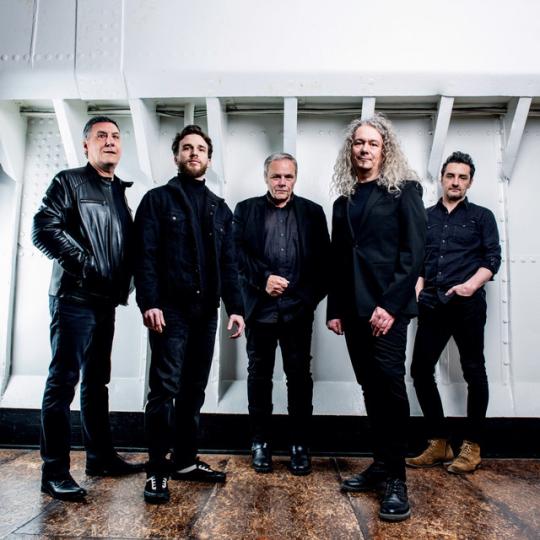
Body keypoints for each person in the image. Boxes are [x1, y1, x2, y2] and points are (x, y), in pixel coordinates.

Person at [32, 116, 144, 501]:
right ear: (86, 145)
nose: (110, 141)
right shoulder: (69, 182)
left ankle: (100, 457)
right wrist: (87, 266)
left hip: (103, 302)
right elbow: (44, 229)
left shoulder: (117, 191)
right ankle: (54, 472)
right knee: (63, 381)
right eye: (101, 136)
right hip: (74, 299)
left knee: (97, 382)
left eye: (115, 136)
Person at [134, 124, 245, 504]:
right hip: (170, 310)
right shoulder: (157, 200)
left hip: (206, 313)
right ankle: (156, 469)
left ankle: (183, 461)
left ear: (209, 159)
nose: (194, 153)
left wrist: (236, 309)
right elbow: (145, 255)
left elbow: (229, 264)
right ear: (176, 156)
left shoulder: (219, 208)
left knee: (194, 389)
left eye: (200, 148)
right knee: (164, 389)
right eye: (187, 147)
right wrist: (149, 302)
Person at [327, 114, 426, 522]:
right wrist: (335, 309)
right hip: (353, 311)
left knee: (390, 390)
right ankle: (382, 464)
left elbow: (414, 253)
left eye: (372, 143)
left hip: (389, 309)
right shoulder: (342, 202)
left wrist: (390, 306)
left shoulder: (405, 191)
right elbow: (338, 259)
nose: (364, 149)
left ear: (385, 151)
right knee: (370, 389)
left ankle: (397, 479)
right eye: (358, 143)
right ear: (350, 150)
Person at [234, 153, 330, 476]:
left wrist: (305, 300)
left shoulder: (313, 213)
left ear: (295, 179)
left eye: (288, 177)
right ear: (266, 177)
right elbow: (236, 254)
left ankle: (300, 445)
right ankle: (260, 443)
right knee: (259, 377)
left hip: (297, 313)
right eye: (276, 176)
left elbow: (324, 263)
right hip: (260, 311)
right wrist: (263, 280)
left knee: (299, 379)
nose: (282, 182)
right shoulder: (245, 210)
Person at [407, 151, 501, 474]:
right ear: (442, 179)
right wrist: (418, 290)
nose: (456, 182)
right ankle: (439, 443)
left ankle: (472, 447)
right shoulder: (425, 217)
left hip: (467, 306)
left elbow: (492, 259)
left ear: (470, 182)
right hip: (432, 305)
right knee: (420, 371)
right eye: (451, 176)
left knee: (474, 372)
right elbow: (419, 260)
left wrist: (470, 286)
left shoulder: (482, 217)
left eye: (463, 177)